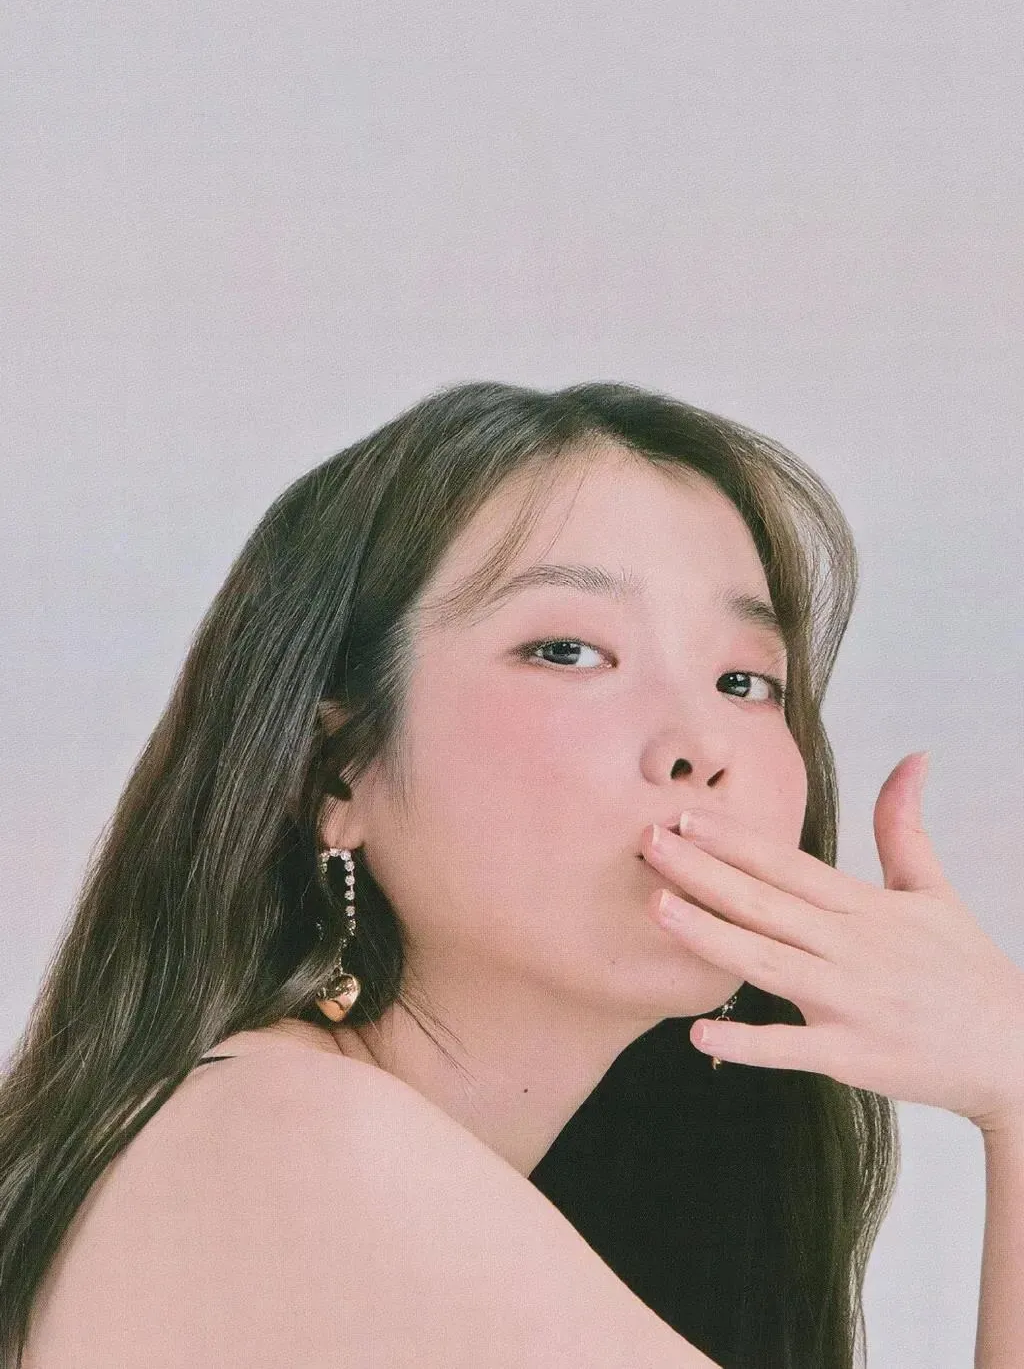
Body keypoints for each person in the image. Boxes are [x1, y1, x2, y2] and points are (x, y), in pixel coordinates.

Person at [1, 381, 1021, 1369]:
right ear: (334, 773)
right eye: (569, 650)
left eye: (743, 680)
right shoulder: (282, 1142)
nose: (701, 745)